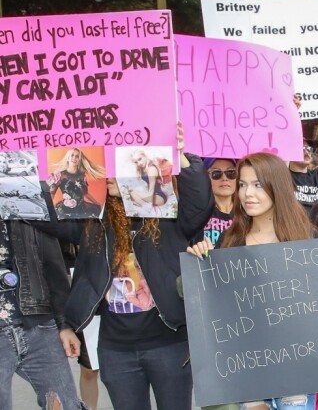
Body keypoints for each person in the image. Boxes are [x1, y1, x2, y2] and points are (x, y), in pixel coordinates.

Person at [35, 124, 215, 410]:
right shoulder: (92, 219)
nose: (109, 176)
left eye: (117, 167)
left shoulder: (167, 213)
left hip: (170, 344)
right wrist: (26, 164)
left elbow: (200, 203)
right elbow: (43, 213)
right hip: (116, 351)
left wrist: (180, 154)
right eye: (104, 168)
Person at [189, 152, 315, 410]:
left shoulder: (305, 241)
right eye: (243, 184)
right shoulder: (230, 240)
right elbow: (217, 306)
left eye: (257, 185)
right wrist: (199, 265)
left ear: (276, 186)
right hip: (249, 375)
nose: (247, 193)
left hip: (295, 377)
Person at [0, 216, 86, 409]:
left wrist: (64, 324)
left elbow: (53, 265)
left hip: (39, 324)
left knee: (66, 405)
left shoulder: (24, 196)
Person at [48, 148, 105, 219]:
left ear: (79, 160)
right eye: (72, 155)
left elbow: (85, 193)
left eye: (77, 156)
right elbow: (51, 193)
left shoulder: (82, 175)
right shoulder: (60, 175)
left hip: (82, 209)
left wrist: (96, 203)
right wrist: (48, 208)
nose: (74, 158)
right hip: (65, 210)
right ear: (68, 158)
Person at [198, 157, 236, 244]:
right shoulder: (197, 212)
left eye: (231, 173)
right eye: (216, 174)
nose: (224, 178)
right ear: (205, 178)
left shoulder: (248, 212)